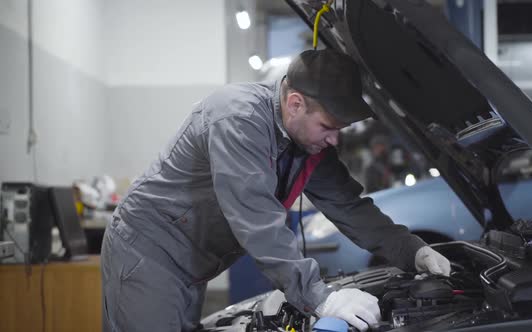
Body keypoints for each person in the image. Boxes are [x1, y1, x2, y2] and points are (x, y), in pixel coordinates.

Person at [100, 49, 451, 332]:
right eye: (328, 126)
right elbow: (257, 221)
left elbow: (349, 206)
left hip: (191, 261)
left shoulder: (309, 142)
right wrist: (320, 297)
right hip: (149, 252)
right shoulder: (236, 118)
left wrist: (412, 250)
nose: (334, 139)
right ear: (295, 103)